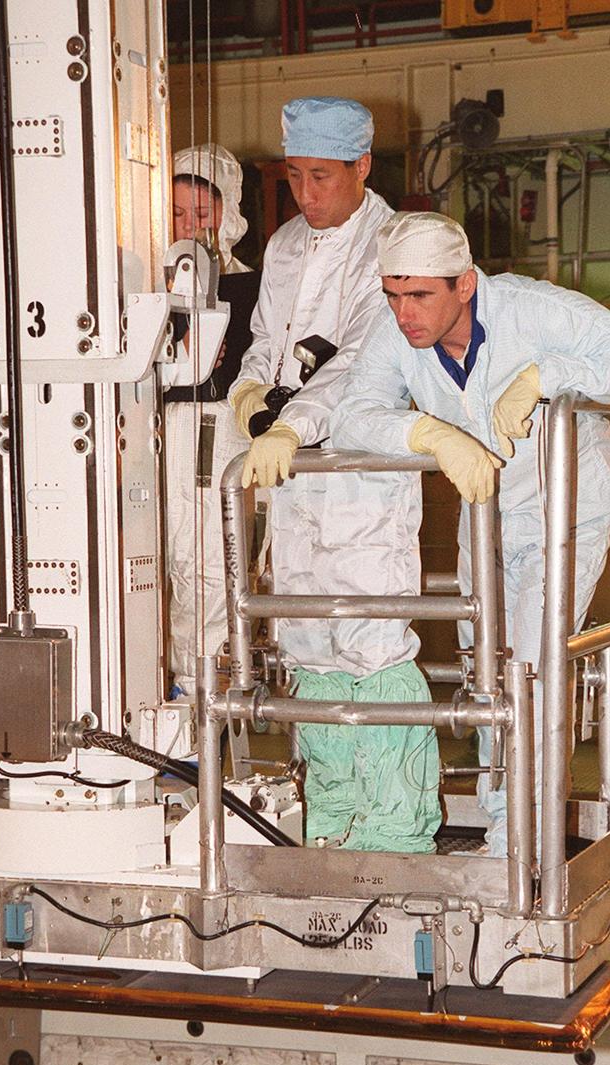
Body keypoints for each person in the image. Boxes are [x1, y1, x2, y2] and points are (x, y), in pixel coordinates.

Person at [330, 210, 610, 857]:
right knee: (484, 672)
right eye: (392, 295)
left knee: (530, 669)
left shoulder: (531, 311)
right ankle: (501, 820)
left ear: (464, 284)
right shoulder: (395, 330)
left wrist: (548, 377)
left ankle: (523, 839)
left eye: (419, 296)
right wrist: (423, 433)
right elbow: (353, 414)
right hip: (484, 513)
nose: (404, 313)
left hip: (565, 510)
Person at [229, 97, 442, 853]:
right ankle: (332, 824)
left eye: (323, 176)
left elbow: (358, 361)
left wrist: (293, 423)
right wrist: (251, 395)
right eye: (294, 176)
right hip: (293, 473)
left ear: (361, 166)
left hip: (359, 469)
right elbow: (266, 341)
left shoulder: (393, 244)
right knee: (307, 644)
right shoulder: (285, 243)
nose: (307, 194)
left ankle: (392, 833)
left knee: (367, 643)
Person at [164, 144, 260, 696]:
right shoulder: (142, 283)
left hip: (214, 435)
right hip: (155, 441)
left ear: (229, 214)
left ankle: (199, 697)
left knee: (205, 569)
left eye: (202, 214)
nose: (189, 227)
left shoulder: (251, 286)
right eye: (177, 215)